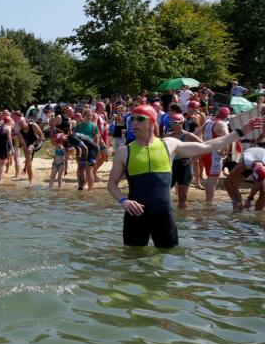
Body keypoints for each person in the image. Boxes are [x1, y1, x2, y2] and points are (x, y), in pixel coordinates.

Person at [107, 104, 261, 249]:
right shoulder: (124, 152)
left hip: (163, 214)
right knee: (133, 257)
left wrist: (240, 132)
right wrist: (124, 201)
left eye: (140, 119)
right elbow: (112, 184)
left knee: (168, 256)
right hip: (134, 214)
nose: (134, 122)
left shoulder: (168, 144)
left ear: (152, 122)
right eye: (132, 119)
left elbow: (207, 146)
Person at [164, 113, 202, 209]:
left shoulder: (188, 135)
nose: (172, 124)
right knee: (163, 194)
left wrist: (193, 160)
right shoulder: (167, 135)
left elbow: (204, 147)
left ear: (182, 123)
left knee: (182, 197)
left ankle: (183, 217)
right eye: (171, 122)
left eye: (175, 122)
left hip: (184, 166)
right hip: (170, 166)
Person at [200, 107, 230, 201]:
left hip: (205, 152)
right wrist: (223, 151)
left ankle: (207, 200)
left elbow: (196, 133)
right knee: (212, 181)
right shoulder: (222, 124)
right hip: (214, 155)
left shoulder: (208, 122)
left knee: (209, 178)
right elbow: (227, 139)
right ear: (226, 116)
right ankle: (209, 203)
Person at [226, 147, 265, 211]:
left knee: (263, 192)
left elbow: (260, 182)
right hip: (249, 159)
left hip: (259, 161)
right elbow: (228, 181)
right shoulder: (245, 163)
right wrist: (234, 200)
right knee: (233, 184)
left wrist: (249, 199)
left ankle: (258, 212)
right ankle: (238, 206)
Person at [18, 117, 44, 188]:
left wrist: (33, 144)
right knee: (29, 164)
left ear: (25, 121)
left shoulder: (33, 125)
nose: (21, 124)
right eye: (19, 123)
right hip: (29, 145)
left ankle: (24, 170)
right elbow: (24, 146)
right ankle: (30, 183)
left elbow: (41, 136)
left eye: (22, 122)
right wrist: (27, 157)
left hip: (38, 141)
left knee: (30, 149)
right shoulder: (20, 133)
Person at [0, 115, 13, 184]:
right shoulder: (8, 128)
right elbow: (9, 139)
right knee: (2, 163)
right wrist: (12, 149)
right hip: (3, 146)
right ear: (9, 121)